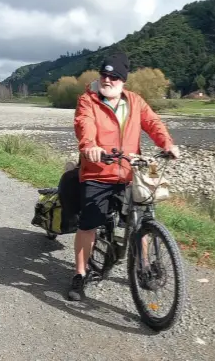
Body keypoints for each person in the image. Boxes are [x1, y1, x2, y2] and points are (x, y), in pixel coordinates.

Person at [69, 53, 180, 301]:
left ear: (123, 80)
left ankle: (143, 266)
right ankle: (79, 273)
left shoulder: (135, 101)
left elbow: (152, 122)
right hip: (98, 171)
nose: (108, 80)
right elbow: (83, 124)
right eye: (104, 75)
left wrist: (168, 144)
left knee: (141, 217)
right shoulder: (88, 100)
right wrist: (90, 146)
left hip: (131, 171)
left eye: (114, 76)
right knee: (89, 223)